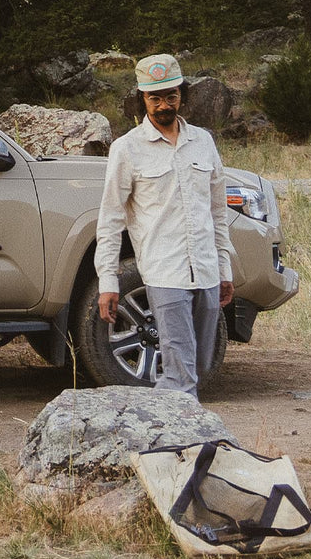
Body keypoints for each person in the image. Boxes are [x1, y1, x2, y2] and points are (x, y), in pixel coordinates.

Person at [94, 53, 234, 398]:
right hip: (164, 274)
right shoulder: (128, 149)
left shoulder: (203, 142)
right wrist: (108, 281)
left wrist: (224, 268)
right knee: (180, 375)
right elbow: (110, 219)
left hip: (206, 272)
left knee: (199, 366)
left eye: (170, 96)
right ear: (141, 99)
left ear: (181, 95)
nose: (163, 105)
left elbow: (217, 212)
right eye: (154, 98)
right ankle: (180, 445)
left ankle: (167, 428)